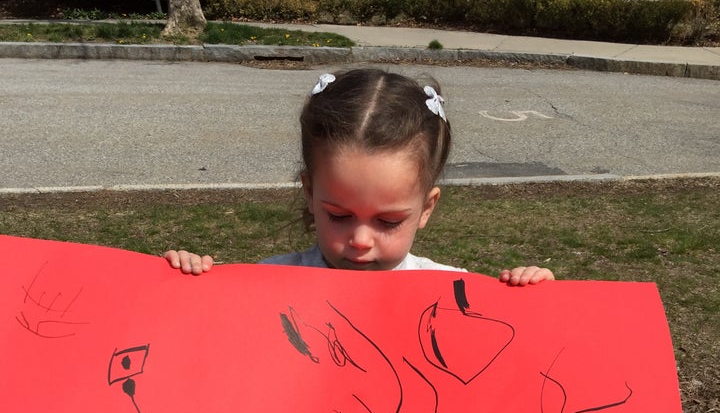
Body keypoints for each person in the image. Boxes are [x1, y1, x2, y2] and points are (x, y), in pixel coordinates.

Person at [165, 68, 553, 285]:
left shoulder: (451, 290)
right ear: (310, 193)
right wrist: (187, 284)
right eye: (339, 215)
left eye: (388, 221)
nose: (360, 241)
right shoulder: (270, 281)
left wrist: (532, 299)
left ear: (426, 208)